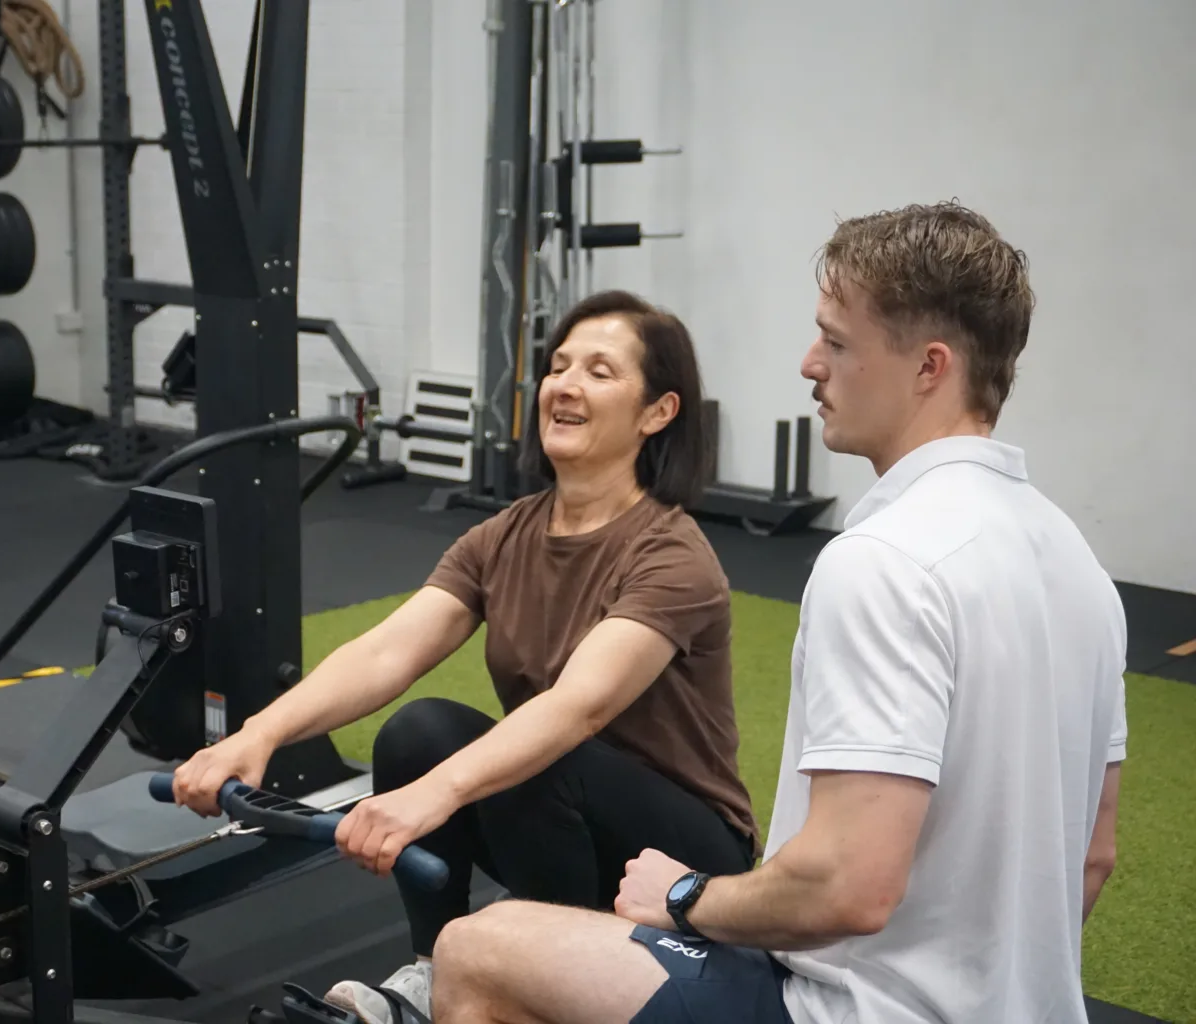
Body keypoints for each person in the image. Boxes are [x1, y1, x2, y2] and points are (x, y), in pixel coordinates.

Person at [428, 201, 1129, 1024]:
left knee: (477, 949)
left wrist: (687, 894)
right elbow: (1093, 858)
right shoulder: (1079, 565)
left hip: (841, 1011)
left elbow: (847, 887)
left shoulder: (884, 561)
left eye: (835, 342)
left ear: (929, 367)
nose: (810, 364)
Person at [171, 289, 761, 1024]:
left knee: (525, 755)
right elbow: (389, 651)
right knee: (422, 730)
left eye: (601, 371)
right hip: (563, 816)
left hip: (689, 858)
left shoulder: (672, 554)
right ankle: (434, 968)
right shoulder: (507, 534)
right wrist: (257, 736)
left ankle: (549, 977)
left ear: (657, 412)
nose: (566, 386)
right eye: (559, 367)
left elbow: (580, 706)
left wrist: (437, 795)